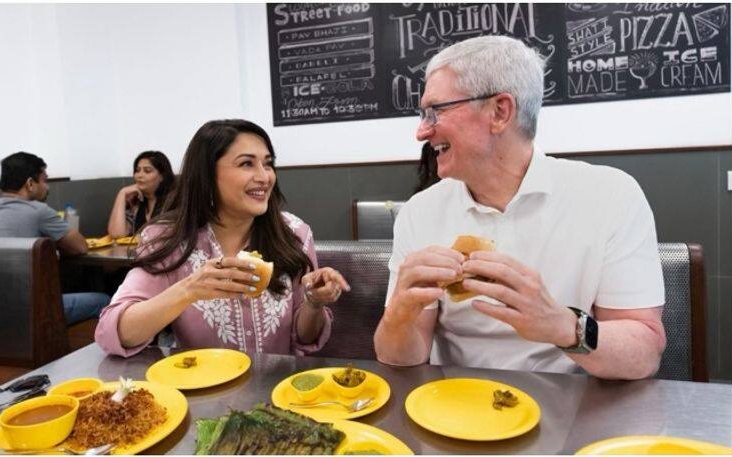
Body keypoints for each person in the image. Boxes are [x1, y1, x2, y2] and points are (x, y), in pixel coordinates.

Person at [374, 35, 666, 380]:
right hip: (451, 406)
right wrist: (400, 316)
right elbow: (400, 359)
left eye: (436, 111)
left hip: (573, 408)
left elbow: (645, 352)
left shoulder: (611, 195)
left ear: (500, 112)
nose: (422, 131)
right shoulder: (419, 213)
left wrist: (562, 326)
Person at [95, 119, 350, 357]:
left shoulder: (294, 233)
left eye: (268, 163)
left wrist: (313, 302)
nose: (264, 176)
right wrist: (189, 289)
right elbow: (112, 332)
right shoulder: (166, 238)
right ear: (207, 174)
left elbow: (306, 338)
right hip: (202, 395)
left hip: (279, 392)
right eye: (247, 163)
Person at [0, 152, 110, 325]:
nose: (47, 187)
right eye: (44, 180)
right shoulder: (38, 211)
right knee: (103, 301)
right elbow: (80, 247)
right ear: (30, 183)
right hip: (24, 311)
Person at [107, 151, 175, 238]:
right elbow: (116, 234)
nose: (139, 175)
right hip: (138, 251)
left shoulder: (174, 200)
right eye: (137, 170)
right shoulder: (135, 202)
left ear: (162, 176)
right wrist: (122, 193)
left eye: (147, 171)